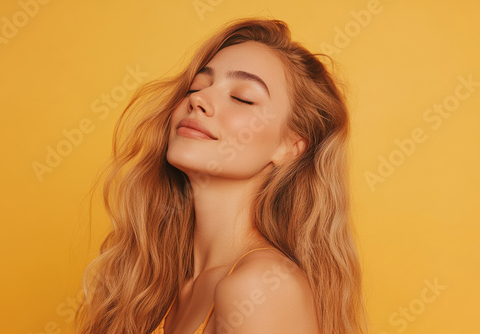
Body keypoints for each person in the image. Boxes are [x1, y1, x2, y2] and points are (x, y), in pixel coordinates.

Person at [74, 17, 367, 334]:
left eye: (242, 97)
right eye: (197, 86)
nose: (197, 99)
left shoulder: (261, 289)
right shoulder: (157, 289)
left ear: (290, 146)